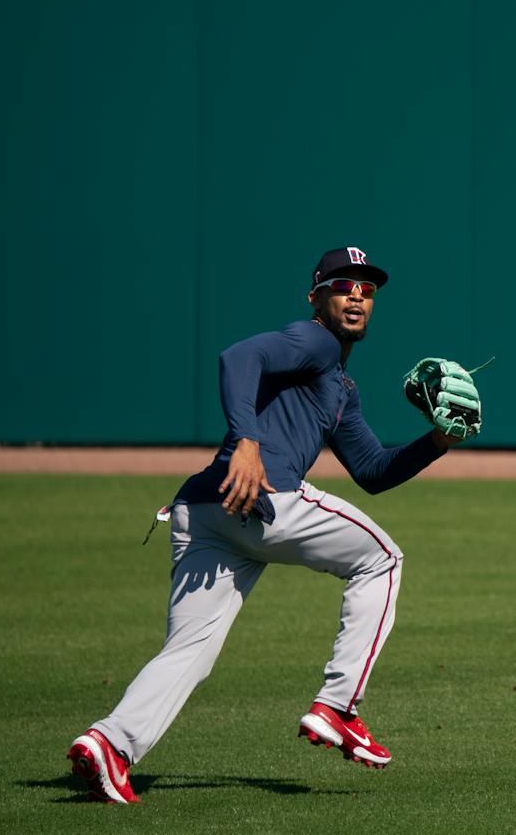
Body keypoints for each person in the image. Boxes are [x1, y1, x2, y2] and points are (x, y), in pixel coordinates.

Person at [66, 246, 481, 804]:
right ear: (316, 297)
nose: (357, 293)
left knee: (190, 649)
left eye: (367, 288)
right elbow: (238, 357)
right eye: (342, 284)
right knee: (382, 559)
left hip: (206, 511)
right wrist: (247, 440)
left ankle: (108, 744)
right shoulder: (314, 341)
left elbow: (374, 471)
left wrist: (438, 442)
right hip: (262, 499)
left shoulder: (340, 388)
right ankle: (338, 707)